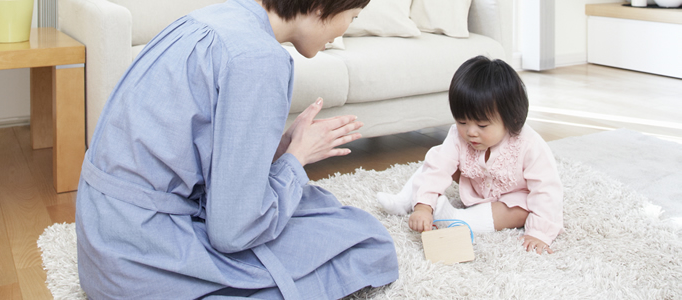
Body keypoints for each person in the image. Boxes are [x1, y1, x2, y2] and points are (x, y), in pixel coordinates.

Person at [75, 0, 399, 298]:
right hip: (140, 258)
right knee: (364, 241)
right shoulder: (259, 57)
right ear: (321, 6)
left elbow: (193, 148)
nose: (348, 27)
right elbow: (232, 233)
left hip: (101, 238)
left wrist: (281, 149)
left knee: (316, 205)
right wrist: (295, 160)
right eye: (352, 16)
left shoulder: (212, 19)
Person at [377, 55, 563, 255]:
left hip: (511, 196)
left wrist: (539, 233)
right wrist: (423, 207)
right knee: (437, 159)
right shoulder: (459, 136)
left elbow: (546, 189)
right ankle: (406, 199)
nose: (470, 132)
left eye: (482, 125)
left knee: (521, 211)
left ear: (512, 118)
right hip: (474, 182)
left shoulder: (530, 144)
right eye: (462, 122)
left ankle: (458, 219)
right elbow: (438, 169)